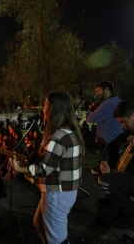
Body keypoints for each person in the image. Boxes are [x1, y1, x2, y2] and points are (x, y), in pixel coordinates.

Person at [9, 92, 84, 244]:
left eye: (45, 105)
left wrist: (19, 168)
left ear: (53, 110)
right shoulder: (69, 131)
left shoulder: (59, 135)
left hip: (57, 192)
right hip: (66, 191)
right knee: (39, 224)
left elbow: (44, 169)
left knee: (57, 240)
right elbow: (54, 163)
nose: (42, 109)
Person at [98, 101, 134, 229]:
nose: (124, 126)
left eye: (124, 122)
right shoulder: (130, 132)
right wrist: (103, 162)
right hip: (129, 173)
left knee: (105, 182)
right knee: (99, 173)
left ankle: (130, 212)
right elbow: (112, 145)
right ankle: (115, 205)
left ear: (133, 115)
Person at [86, 81, 122, 155]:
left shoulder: (107, 103)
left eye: (99, 91)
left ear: (107, 89)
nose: (97, 94)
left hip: (108, 141)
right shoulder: (117, 100)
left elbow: (90, 119)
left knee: (105, 164)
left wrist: (91, 110)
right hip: (116, 138)